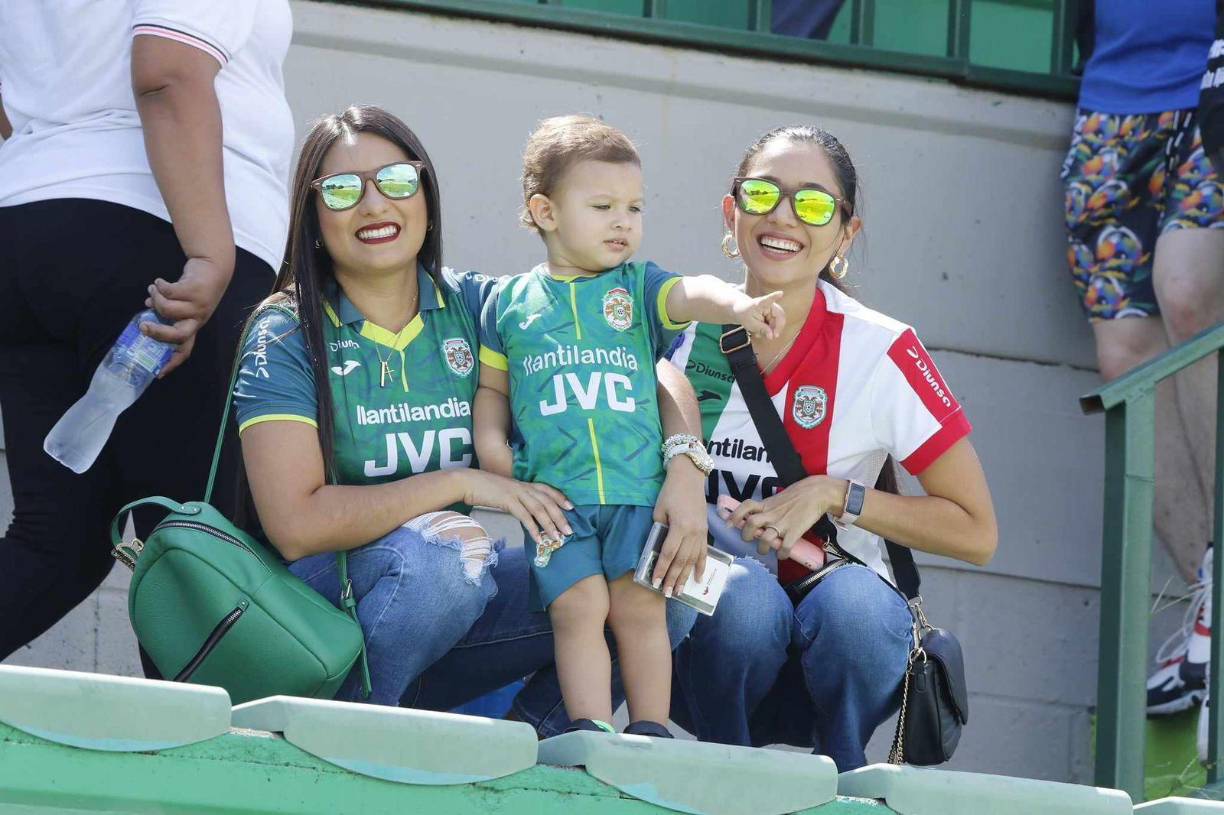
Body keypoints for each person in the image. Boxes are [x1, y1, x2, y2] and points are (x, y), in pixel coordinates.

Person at [234, 106, 708, 718]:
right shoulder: (284, 333)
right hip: (324, 622)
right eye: (345, 190)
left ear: (426, 196)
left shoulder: (480, 305)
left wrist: (686, 469)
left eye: (398, 181)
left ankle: (541, 761)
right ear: (313, 216)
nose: (375, 205)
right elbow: (295, 526)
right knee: (441, 557)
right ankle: (348, 734)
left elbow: (652, 368)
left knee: (664, 580)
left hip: (456, 600)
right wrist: (460, 482)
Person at [664, 125, 998, 770]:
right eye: (763, 195)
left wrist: (831, 493)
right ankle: (718, 772)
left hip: (841, 631)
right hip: (709, 630)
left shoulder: (883, 349)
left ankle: (842, 780)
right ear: (731, 212)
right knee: (742, 603)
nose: (783, 216)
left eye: (813, 204)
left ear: (845, 233)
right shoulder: (676, 328)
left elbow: (976, 531)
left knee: (857, 612)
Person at [0, 1, 293, 661]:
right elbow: (166, 67)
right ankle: (198, 763)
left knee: (57, 542)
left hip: (27, 228)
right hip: (158, 236)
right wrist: (209, 255)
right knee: (198, 549)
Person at [473, 115, 783, 737]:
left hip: (638, 492)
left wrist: (741, 305)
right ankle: (587, 728)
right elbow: (492, 394)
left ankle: (650, 728)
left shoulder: (638, 289)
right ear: (545, 210)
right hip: (557, 503)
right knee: (577, 607)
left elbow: (693, 292)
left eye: (635, 207)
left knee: (642, 607)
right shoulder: (506, 304)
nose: (624, 222)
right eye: (603, 206)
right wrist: (497, 463)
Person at [1059, 0, 1224, 719]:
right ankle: (1208, 608)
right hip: (1113, 89)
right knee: (1123, 354)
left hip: (1210, 78)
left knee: (1189, 294)